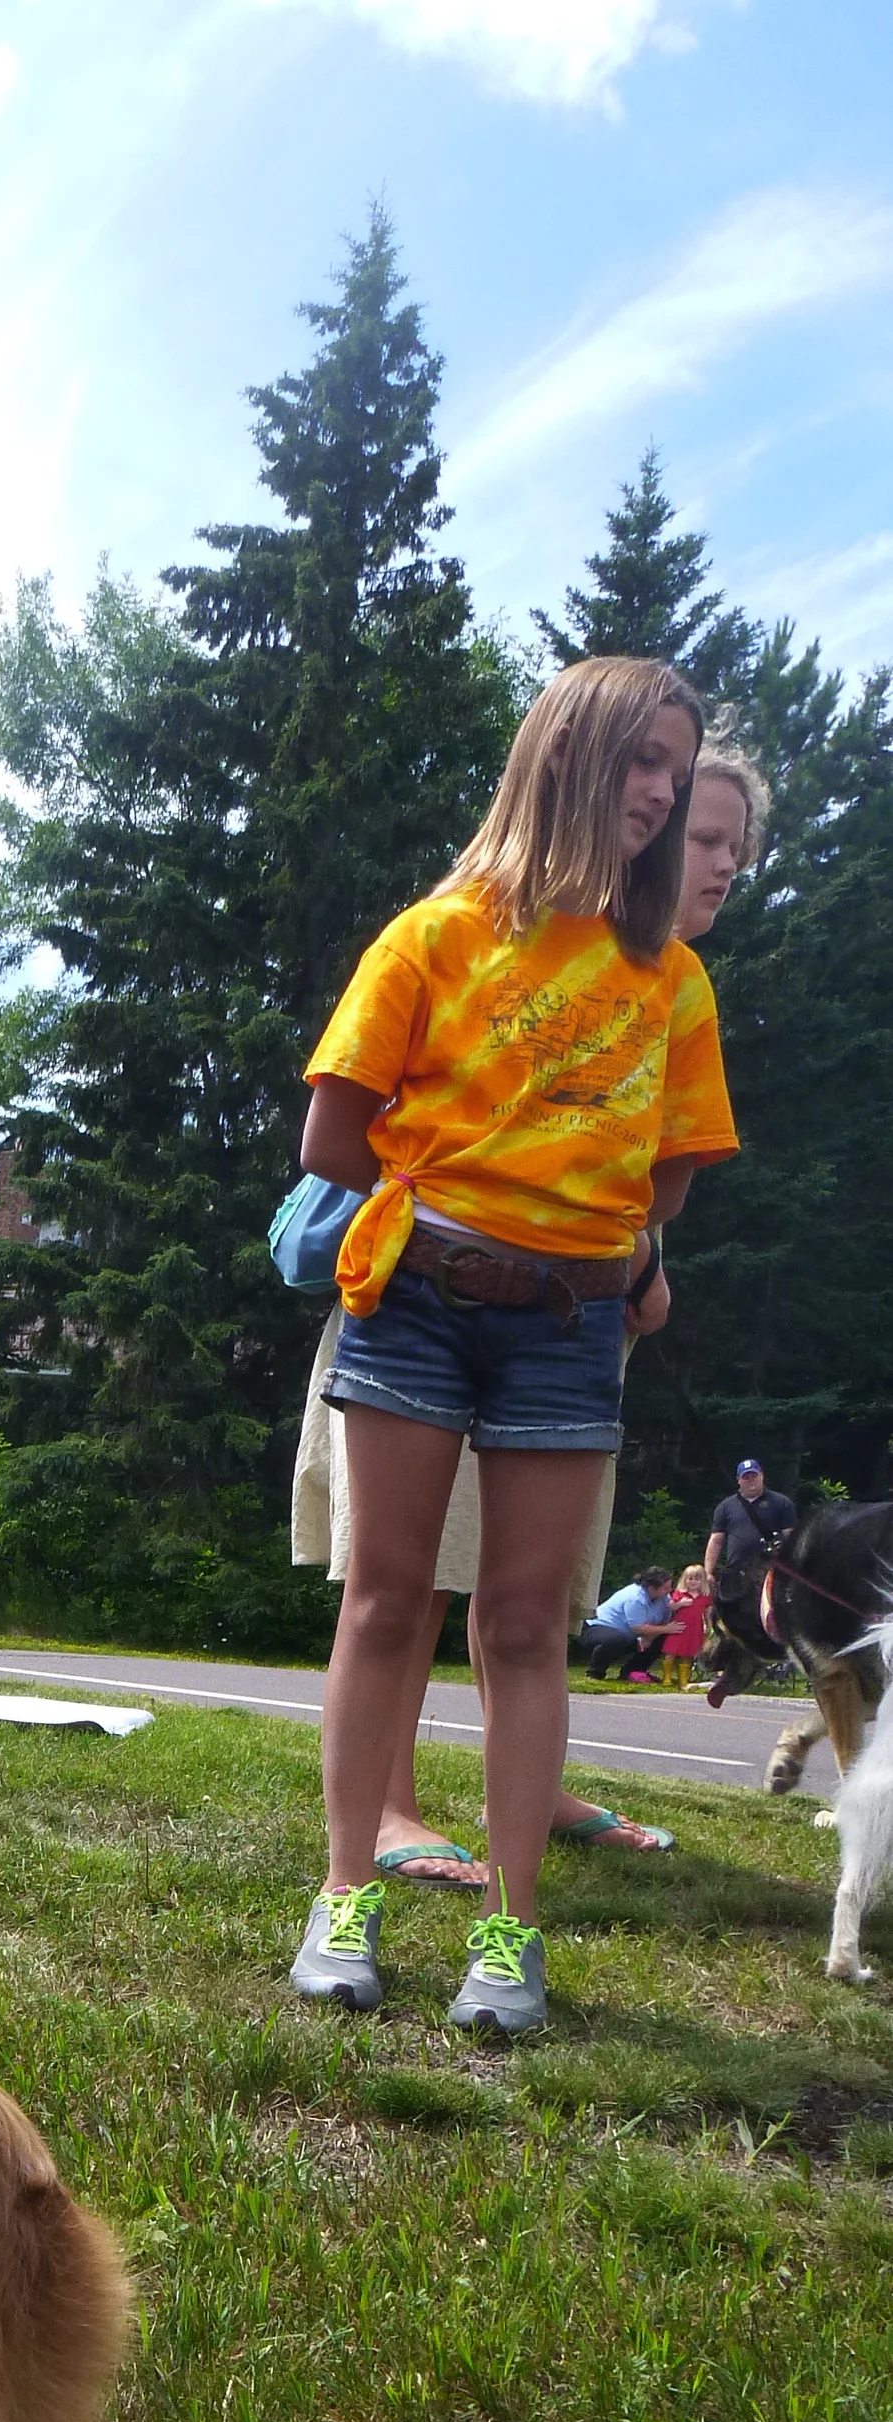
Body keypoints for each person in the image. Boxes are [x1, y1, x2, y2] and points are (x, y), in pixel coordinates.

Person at [288, 657, 736, 2038]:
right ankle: (345, 1893)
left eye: (678, 766)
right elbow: (331, 1134)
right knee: (385, 1598)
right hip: (418, 1297)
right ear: (568, 756)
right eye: (641, 761)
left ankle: (512, 1930)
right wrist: (477, 1190)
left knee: (529, 1624)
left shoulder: (673, 982)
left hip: (570, 1327)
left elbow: (670, 1180)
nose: (661, 792)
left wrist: (590, 1238)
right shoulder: (436, 934)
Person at [706, 1455, 796, 1603]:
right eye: (746, 1477)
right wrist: (708, 1572)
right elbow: (716, 1540)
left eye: (754, 1476)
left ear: (762, 1475)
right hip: (736, 1571)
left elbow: (791, 1537)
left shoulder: (782, 1503)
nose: (750, 1481)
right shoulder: (725, 1507)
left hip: (770, 1571)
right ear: (739, 1480)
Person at [577, 1568, 678, 1680]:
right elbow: (638, 1628)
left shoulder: (664, 1598)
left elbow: (663, 1623)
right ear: (652, 1588)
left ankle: (633, 1672)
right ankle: (594, 1674)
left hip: (632, 1634)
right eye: (665, 1588)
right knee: (616, 1639)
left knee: (665, 1636)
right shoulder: (635, 1598)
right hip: (596, 1627)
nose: (670, 1590)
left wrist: (651, 1637)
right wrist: (663, 1630)